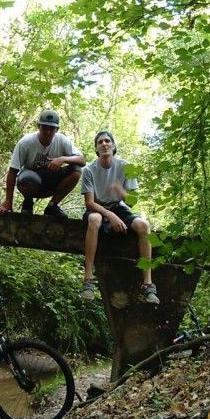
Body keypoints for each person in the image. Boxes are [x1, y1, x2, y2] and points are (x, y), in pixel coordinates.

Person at [79, 130, 160, 304]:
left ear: (113, 146)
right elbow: (89, 203)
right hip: (98, 208)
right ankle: (88, 279)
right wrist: (110, 216)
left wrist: (120, 191)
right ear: (96, 148)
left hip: (119, 207)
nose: (104, 144)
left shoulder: (125, 166)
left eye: (107, 141)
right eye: (100, 142)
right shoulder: (89, 170)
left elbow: (131, 202)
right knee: (95, 219)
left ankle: (148, 284)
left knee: (144, 226)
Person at [0, 109, 86, 218]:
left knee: (76, 170)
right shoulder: (26, 143)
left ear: (57, 129)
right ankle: (28, 202)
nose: (47, 131)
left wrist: (62, 159)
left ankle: (52, 206)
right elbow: (13, 171)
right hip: (29, 182)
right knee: (29, 179)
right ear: (38, 126)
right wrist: (8, 201)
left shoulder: (62, 140)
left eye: (51, 128)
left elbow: (82, 160)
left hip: (50, 182)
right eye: (45, 127)